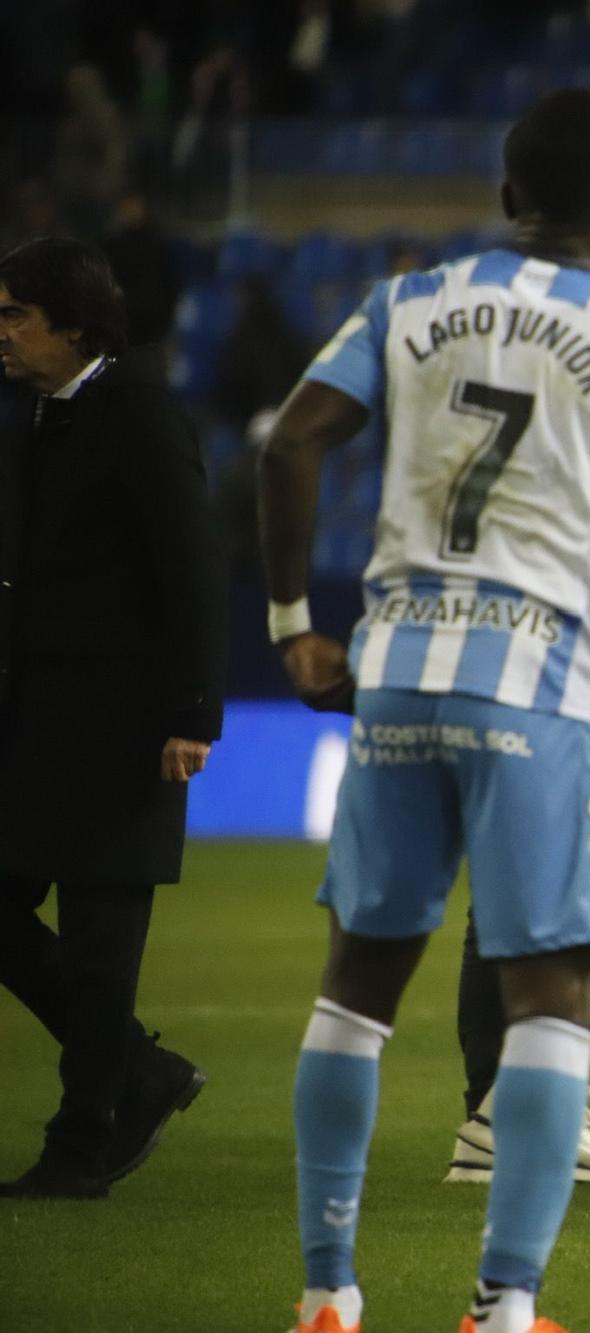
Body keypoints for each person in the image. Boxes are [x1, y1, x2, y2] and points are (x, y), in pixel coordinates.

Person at [258, 90, 590, 1333]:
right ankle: (503, 1305)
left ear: (510, 196)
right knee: (550, 992)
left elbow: (290, 442)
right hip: (547, 690)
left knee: (356, 987)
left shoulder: (407, 301)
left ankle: (324, 1290)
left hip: (398, 673)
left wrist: (294, 622)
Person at [441, 203, 590, 1190]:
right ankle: (514, 1100)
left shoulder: (565, 358)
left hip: (584, 652)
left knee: (537, 880)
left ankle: (504, 1106)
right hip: (569, 652)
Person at [0, 236, 222, 1200]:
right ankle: (140, 1069)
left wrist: (191, 714)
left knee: (98, 944)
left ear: (74, 325)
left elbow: (192, 567)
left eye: (15, 314)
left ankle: (82, 1140)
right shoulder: (36, 414)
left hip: (126, 729)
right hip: (42, 724)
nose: (1, 331)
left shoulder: (137, 413)